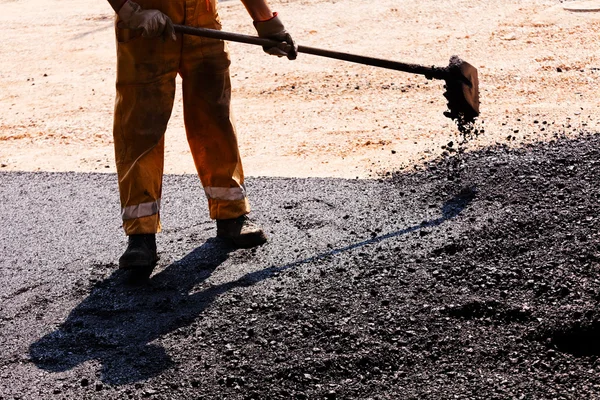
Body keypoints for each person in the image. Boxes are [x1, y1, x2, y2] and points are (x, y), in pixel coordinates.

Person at [105, 0, 297, 275]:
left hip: (202, 18)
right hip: (146, 24)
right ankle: (141, 236)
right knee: (140, 128)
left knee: (215, 118)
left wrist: (267, 23)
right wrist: (128, 10)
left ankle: (231, 213)